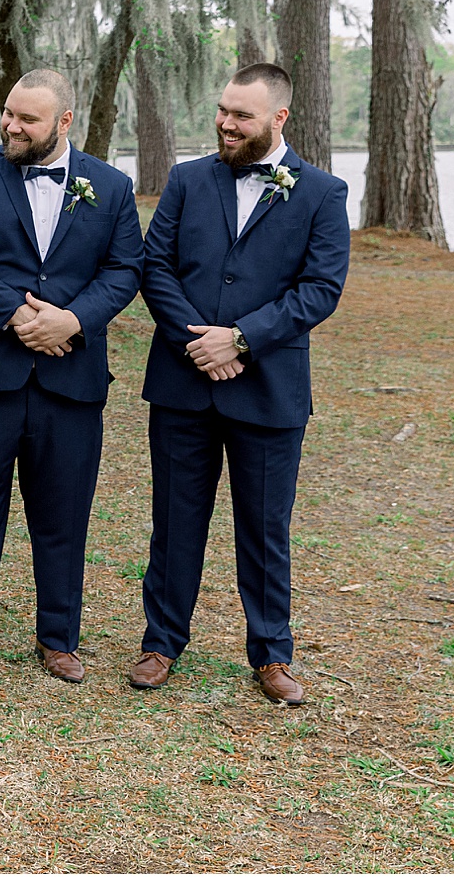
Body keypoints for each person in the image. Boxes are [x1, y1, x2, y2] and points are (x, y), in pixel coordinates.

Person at [130, 62, 349, 705]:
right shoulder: (187, 179)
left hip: (269, 390)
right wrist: (199, 344)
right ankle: (161, 642)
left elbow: (320, 289)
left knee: (264, 527)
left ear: (279, 118)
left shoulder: (322, 192)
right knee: (175, 521)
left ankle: (272, 654)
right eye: (223, 110)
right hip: (183, 382)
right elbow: (155, 267)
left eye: (241, 115)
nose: (226, 123)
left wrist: (243, 339)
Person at [0, 68, 143, 683]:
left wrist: (73, 320)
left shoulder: (111, 186)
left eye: (27, 119)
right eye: (8, 113)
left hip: (70, 378)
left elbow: (125, 269)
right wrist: (18, 315)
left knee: (64, 513)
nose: (11, 126)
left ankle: (58, 638)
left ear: (64, 122)